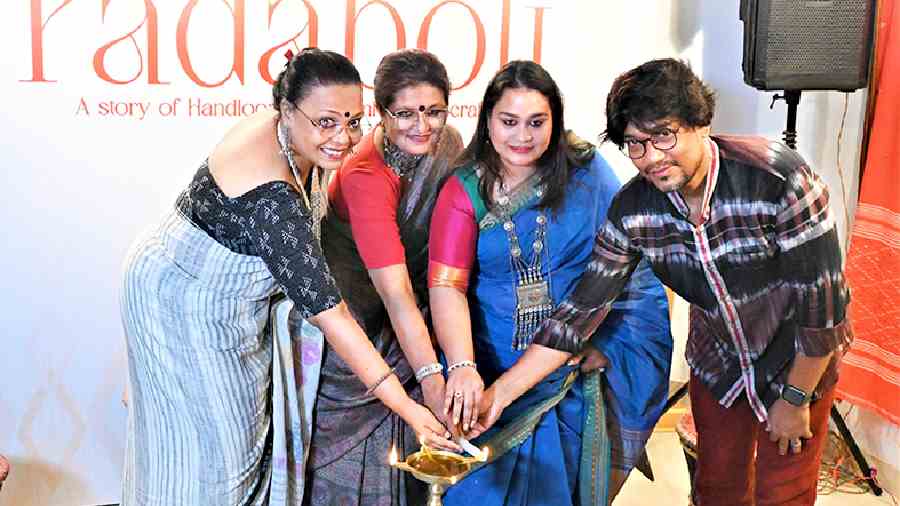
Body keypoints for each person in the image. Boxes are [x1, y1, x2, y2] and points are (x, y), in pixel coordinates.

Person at [120, 48, 453, 506]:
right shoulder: (271, 196)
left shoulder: (290, 133)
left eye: (354, 121)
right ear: (287, 109)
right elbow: (331, 315)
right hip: (184, 303)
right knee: (220, 469)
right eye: (327, 122)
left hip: (231, 304)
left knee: (245, 445)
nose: (344, 137)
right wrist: (408, 408)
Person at [532, 58, 853, 506]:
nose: (651, 158)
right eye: (635, 145)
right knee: (716, 490)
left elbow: (825, 311)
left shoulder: (780, 178)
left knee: (785, 493)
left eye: (664, 135)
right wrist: (502, 390)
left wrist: (796, 398)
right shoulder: (634, 209)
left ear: (700, 123)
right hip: (717, 362)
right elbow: (584, 305)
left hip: (797, 359)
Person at [428, 60, 672, 506]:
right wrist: (462, 366)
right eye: (509, 122)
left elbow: (627, 260)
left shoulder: (585, 171)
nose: (522, 136)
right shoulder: (463, 190)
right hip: (486, 376)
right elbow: (447, 286)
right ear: (487, 121)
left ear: (555, 121)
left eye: (537, 122)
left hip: (567, 375)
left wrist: (612, 343)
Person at [303, 49, 464, 506]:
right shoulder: (364, 174)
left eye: (434, 111)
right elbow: (394, 295)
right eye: (406, 114)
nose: (423, 126)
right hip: (353, 336)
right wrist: (433, 379)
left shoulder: (447, 146)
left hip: (412, 332)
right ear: (382, 114)